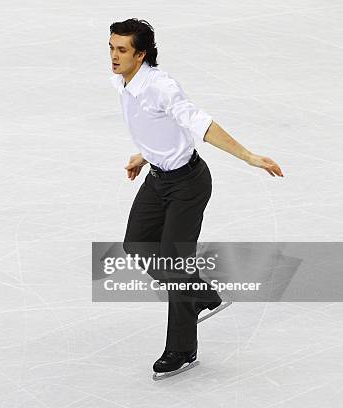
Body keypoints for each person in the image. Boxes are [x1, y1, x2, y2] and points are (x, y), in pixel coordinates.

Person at [108, 19, 283, 379]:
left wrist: (249, 156)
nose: (113, 55)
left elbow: (198, 124)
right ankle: (202, 294)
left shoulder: (161, 86)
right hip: (158, 179)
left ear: (140, 54)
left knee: (174, 264)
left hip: (188, 184)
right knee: (136, 244)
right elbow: (154, 125)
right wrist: (145, 155)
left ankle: (182, 349)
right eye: (111, 47)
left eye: (122, 50)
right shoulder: (123, 81)